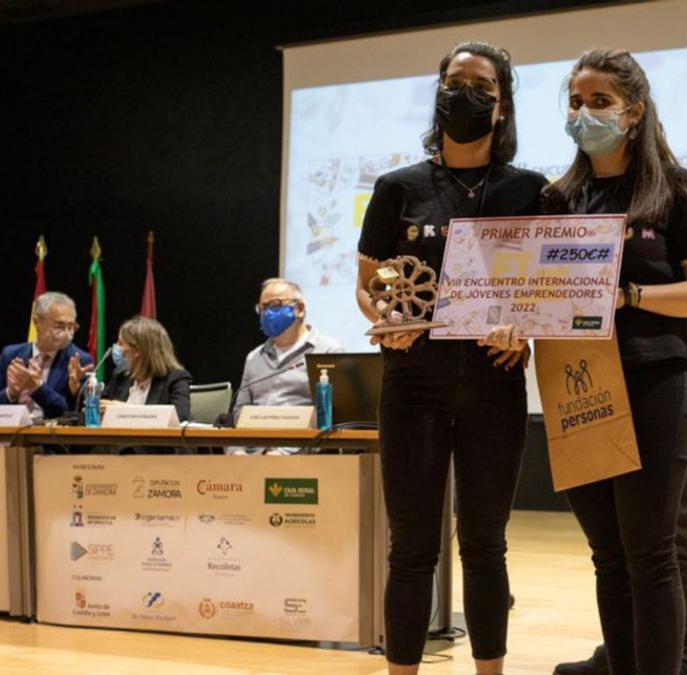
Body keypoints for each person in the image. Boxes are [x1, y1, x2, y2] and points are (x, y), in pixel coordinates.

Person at [354, 41, 547, 675]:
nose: (465, 93)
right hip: (413, 385)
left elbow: (546, 291)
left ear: (502, 104)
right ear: (437, 93)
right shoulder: (396, 188)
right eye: (454, 81)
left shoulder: (532, 191)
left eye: (481, 85)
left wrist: (528, 329)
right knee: (410, 550)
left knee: (486, 546)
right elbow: (368, 283)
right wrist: (383, 317)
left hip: (496, 385)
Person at [542, 49, 687, 675]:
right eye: (575, 102)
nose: (584, 113)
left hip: (655, 380)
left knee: (651, 552)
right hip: (579, 385)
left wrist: (627, 296)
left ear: (635, 110)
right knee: (607, 554)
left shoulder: (682, 190)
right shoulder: (558, 198)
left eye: (599, 102)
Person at [229, 278, 342, 453]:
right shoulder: (254, 357)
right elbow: (239, 412)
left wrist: (285, 452)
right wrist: (236, 451)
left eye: (275, 305)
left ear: (300, 309)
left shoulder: (327, 350)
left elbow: (331, 416)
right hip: (253, 455)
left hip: (303, 456)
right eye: (262, 308)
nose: (266, 313)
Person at [0, 291, 93, 421]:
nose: (67, 334)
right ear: (36, 322)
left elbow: (69, 414)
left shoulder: (79, 360)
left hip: (49, 438)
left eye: (71, 327)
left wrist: (38, 387)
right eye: (60, 326)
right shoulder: (11, 354)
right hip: (8, 436)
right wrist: (11, 393)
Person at [101, 316, 192, 445]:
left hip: (158, 451)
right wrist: (78, 388)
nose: (116, 348)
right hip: (117, 448)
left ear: (138, 350)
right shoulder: (121, 375)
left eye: (121, 343)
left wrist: (125, 410)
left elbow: (179, 417)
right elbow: (100, 405)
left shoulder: (176, 379)